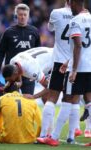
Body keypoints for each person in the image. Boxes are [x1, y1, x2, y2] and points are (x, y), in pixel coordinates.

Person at [37, 0, 91, 146]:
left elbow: (77, 45)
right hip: (87, 65)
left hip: (73, 65)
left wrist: (72, 68)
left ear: (72, 3)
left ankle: (50, 136)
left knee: (62, 98)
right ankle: (74, 134)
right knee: (83, 100)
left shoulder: (70, 18)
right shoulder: (89, 17)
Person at [0, 3, 41, 95]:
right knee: (11, 102)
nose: (22, 17)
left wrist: (39, 73)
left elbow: (38, 55)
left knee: (28, 102)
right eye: (20, 15)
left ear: (28, 16)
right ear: (16, 16)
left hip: (29, 73)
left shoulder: (34, 31)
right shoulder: (8, 32)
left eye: (25, 15)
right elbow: (0, 54)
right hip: (11, 74)